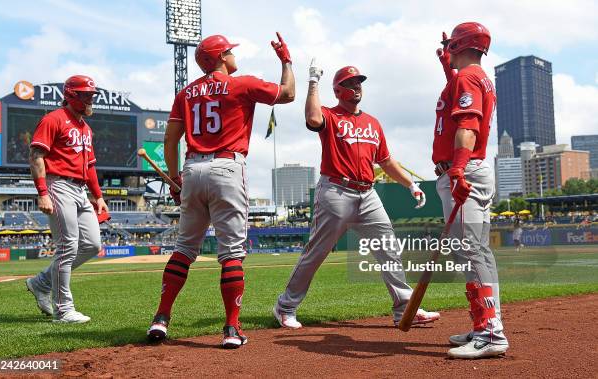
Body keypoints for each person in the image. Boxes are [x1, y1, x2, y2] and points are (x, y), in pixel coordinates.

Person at [146, 32, 295, 348]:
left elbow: (170, 141)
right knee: (231, 252)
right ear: (220, 57)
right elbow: (288, 93)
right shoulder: (241, 84)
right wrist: (285, 60)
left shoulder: (185, 93)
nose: (233, 55)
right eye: (229, 51)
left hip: (193, 168)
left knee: (185, 248)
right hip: (227, 166)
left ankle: (160, 319)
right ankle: (231, 329)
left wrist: (175, 178)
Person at [273, 60, 440, 330]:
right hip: (336, 190)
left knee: (389, 249)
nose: (356, 86)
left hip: (368, 193)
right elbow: (312, 119)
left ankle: (403, 308)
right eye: (349, 83)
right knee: (317, 253)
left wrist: (411, 184)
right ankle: (285, 307)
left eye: (358, 82)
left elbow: (386, 161)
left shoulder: (373, 123)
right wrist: (313, 81)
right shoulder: (330, 114)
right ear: (338, 91)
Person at [432, 22, 509, 358]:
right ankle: (484, 325)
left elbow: (468, 124)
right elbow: (458, 112)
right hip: (470, 170)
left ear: (460, 43)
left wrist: (459, 168)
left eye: (450, 43)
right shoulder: (470, 77)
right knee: (474, 252)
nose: (447, 47)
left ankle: (491, 334)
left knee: (473, 252)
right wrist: (447, 72)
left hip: (464, 170)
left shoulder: (468, 77)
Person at [25, 75, 108, 323]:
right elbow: (36, 155)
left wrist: (99, 196)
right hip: (58, 184)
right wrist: (42, 192)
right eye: (86, 95)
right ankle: (63, 310)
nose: (91, 99)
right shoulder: (54, 119)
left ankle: (41, 283)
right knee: (67, 246)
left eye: (92, 95)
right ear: (71, 95)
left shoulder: (85, 127)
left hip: (81, 189)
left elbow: (90, 165)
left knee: (92, 245)